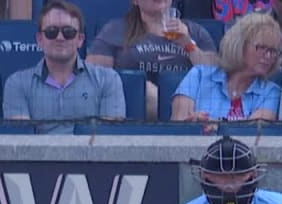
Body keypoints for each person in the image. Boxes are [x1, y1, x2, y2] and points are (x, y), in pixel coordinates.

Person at [3, 0, 125, 134]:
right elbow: (22, 144)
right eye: (51, 31)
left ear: (80, 39)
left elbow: (110, 141)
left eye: (68, 32)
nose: (60, 38)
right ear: (39, 40)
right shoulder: (17, 83)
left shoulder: (108, 80)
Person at [87, 0, 218, 120]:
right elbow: (92, 78)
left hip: (186, 111)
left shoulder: (196, 32)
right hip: (134, 115)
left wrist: (187, 44)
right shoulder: (115, 30)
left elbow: (214, 76)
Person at [171, 11, 282, 121]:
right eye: (261, 48)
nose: (268, 56)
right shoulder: (198, 75)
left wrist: (213, 126)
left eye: (273, 51)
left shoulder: (271, 92)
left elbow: (254, 131)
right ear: (239, 44)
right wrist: (192, 124)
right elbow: (178, 125)